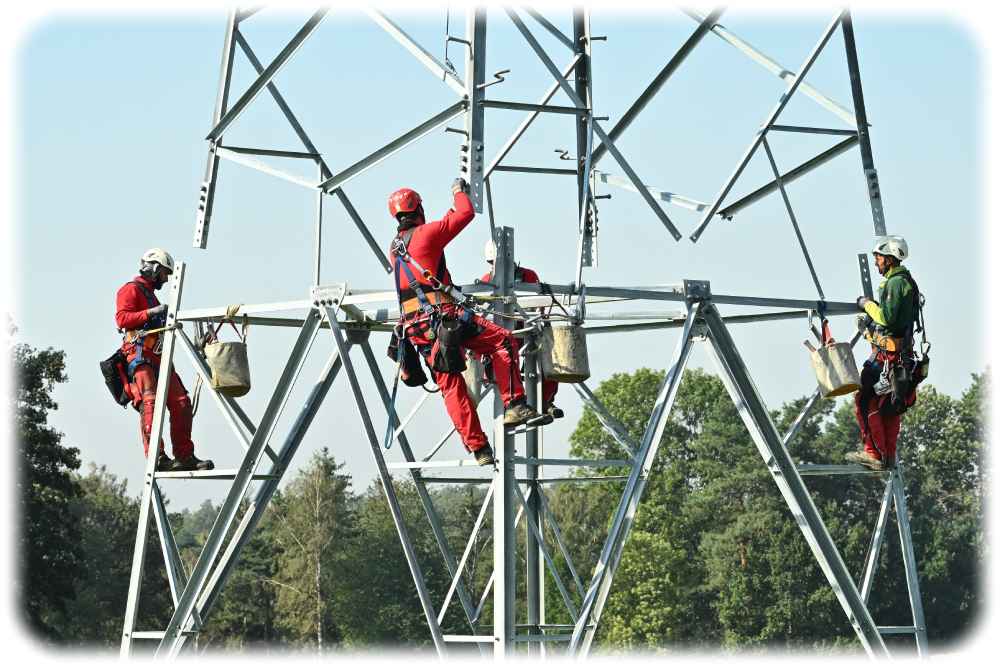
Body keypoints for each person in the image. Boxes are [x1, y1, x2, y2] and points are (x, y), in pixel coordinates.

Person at [387, 179, 545, 466]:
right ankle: (515, 404)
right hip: (445, 318)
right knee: (502, 340)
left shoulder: (395, 248)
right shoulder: (425, 235)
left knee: (450, 385)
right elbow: (464, 214)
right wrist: (459, 191)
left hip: (417, 329)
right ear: (418, 209)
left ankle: (479, 449)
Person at [116, 248, 213, 472]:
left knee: (181, 402)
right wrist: (151, 313)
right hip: (140, 357)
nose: (167, 279)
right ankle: (157, 457)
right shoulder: (130, 290)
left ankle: (184, 456)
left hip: (159, 357)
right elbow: (122, 318)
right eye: (164, 274)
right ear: (154, 269)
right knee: (150, 402)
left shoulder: (150, 295)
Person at [847, 235, 922, 471]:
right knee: (888, 407)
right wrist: (871, 332)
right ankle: (887, 454)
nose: (876, 262)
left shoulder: (894, 283)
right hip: (900, 355)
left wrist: (866, 304)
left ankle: (874, 453)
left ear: (889, 259)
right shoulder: (907, 281)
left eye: (878, 257)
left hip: (889, 357)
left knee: (864, 400)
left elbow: (887, 318)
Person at [480, 240, 563, 420]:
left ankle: (545, 401)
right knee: (504, 359)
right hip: (502, 334)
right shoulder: (487, 281)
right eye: (492, 263)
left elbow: (539, 305)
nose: (496, 266)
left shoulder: (528, 276)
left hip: (528, 327)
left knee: (548, 355)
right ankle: (515, 404)